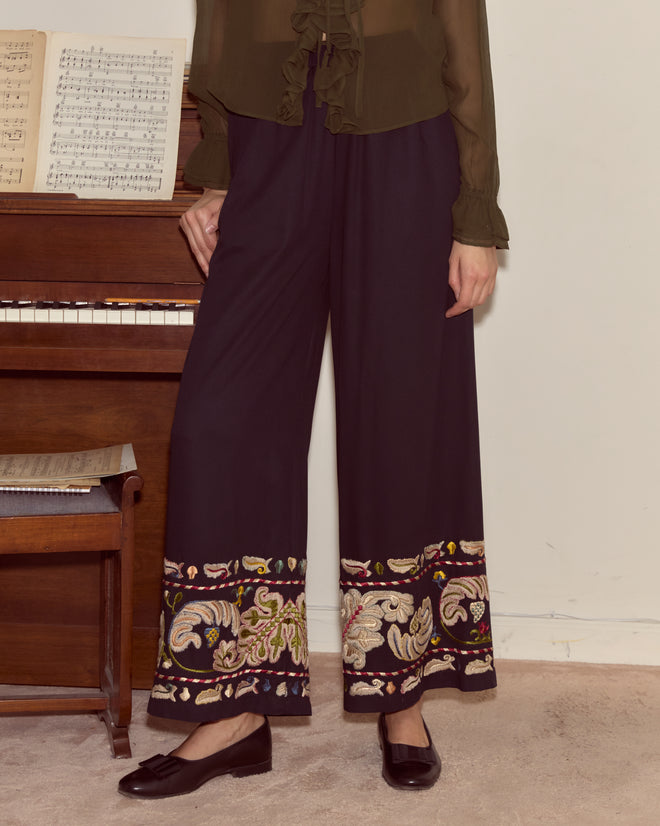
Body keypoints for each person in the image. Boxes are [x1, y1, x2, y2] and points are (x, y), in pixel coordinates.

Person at [119, 0, 508, 798]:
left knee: (399, 416)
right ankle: (233, 705)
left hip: (408, 147)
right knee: (219, 423)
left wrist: (475, 212)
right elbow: (220, 21)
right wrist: (221, 171)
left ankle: (401, 697)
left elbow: (463, 43)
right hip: (273, 145)